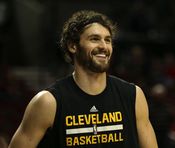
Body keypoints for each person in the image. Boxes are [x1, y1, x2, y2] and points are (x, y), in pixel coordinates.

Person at [8, 10, 158, 148]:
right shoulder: (48, 102)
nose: (104, 46)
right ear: (73, 46)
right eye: (95, 39)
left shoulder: (133, 96)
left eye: (108, 40)